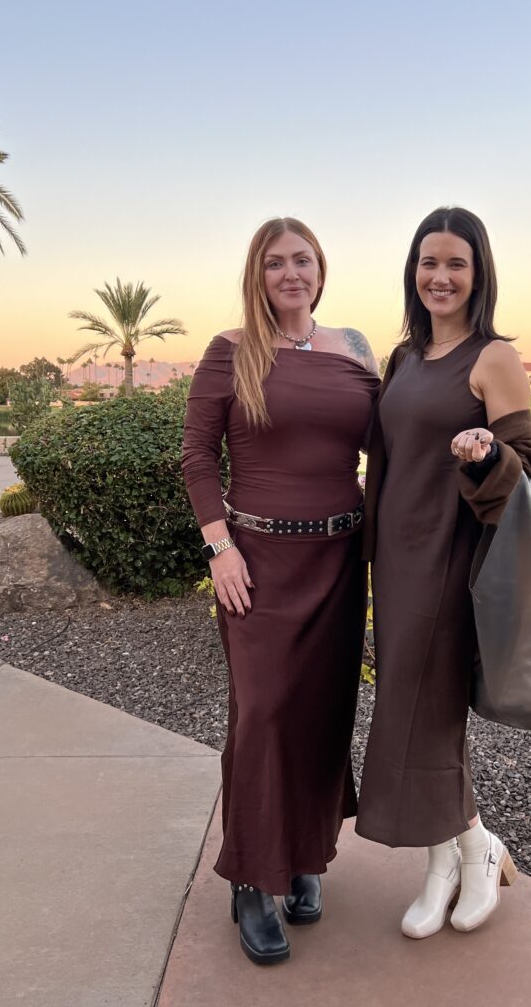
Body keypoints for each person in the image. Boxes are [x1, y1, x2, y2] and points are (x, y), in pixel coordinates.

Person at [181, 217, 378, 965]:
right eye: (275, 263)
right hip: (256, 562)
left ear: (320, 270)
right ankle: (249, 883)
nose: (290, 273)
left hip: (338, 560)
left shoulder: (354, 349)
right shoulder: (230, 352)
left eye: (302, 260)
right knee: (261, 715)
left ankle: (302, 856)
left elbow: (390, 443)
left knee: (320, 715)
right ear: (257, 275)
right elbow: (198, 456)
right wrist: (220, 547)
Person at [356, 206, 531, 938]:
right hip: (395, 561)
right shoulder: (400, 361)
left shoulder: (492, 356)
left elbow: (529, 473)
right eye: (428, 262)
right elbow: (385, 458)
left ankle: (454, 862)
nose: (440, 276)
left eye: (455, 264)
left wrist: (486, 452)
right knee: (411, 706)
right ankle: (467, 851)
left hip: (450, 558)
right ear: (413, 270)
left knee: (425, 712)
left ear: (477, 273)